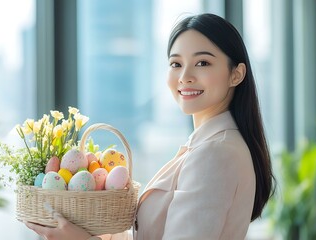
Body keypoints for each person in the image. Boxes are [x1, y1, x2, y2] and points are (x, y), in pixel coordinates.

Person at [25, 13, 275, 240]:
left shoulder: (215, 153)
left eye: (202, 63)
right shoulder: (207, 145)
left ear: (236, 74)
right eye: (176, 64)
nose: (185, 76)